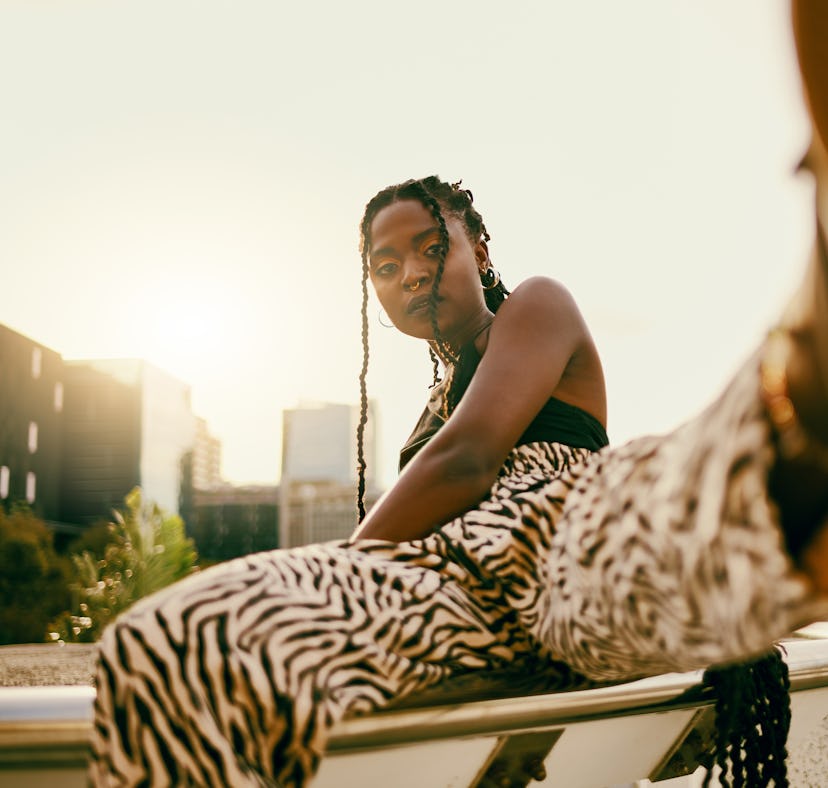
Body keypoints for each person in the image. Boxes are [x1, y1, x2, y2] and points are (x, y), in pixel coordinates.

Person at [89, 2, 828, 785]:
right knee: (168, 639)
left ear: (478, 246)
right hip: (461, 605)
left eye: (429, 246)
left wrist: (343, 570)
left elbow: (468, 460)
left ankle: (803, 428)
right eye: (384, 266)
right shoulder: (433, 405)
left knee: (744, 478)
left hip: (562, 548)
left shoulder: (536, 308)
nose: (409, 272)